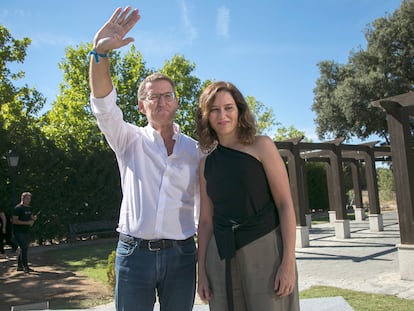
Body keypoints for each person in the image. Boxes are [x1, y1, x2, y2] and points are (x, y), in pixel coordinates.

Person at [89, 6, 203, 311]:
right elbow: (103, 105)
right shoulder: (128, 139)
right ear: (142, 106)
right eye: (154, 96)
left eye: (168, 95)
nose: (162, 101)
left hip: (182, 256)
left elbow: (205, 207)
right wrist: (99, 55)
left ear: (176, 102)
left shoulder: (195, 150)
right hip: (134, 254)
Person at [196, 81, 300, 311]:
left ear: (239, 110)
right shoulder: (206, 165)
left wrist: (288, 262)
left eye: (228, 107)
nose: (222, 115)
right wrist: (201, 272)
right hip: (221, 257)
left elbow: (285, 205)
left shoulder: (261, 146)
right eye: (214, 109)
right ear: (206, 116)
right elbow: (205, 222)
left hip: (266, 252)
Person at [12, 192, 37, 273]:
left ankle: (19, 266)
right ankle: (25, 266)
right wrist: (27, 223)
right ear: (22, 198)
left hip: (26, 231)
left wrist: (33, 219)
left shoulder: (29, 208)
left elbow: (30, 217)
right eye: (27, 198)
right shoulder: (18, 208)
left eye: (30, 198)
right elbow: (14, 221)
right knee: (24, 247)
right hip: (18, 231)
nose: (29, 200)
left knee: (23, 247)